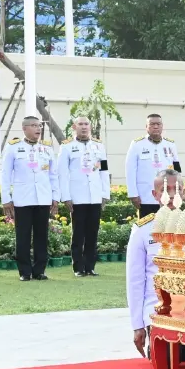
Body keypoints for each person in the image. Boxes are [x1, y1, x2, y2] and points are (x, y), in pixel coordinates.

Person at [129, 169, 182, 357]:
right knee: (167, 359)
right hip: (158, 312)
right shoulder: (143, 230)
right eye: (165, 189)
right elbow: (135, 281)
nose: (172, 194)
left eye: (176, 188)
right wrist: (138, 326)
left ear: (183, 192)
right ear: (155, 195)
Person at [1, 117, 59, 281]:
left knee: (42, 236)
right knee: (23, 236)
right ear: (24, 128)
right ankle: (25, 271)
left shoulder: (47, 149)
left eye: (39, 126)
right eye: (34, 126)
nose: (38, 129)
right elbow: (5, 175)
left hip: (43, 197)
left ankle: (39, 270)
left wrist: (55, 197)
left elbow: (53, 175)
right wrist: (6, 198)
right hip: (22, 198)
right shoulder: (14, 147)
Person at [59, 117, 110, 277]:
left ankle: (90, 266)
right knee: (78, 233)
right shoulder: (67, 147)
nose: (84, 127)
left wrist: (104, 194)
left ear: (90, 126)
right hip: (77, 196)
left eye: (86, 124)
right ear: (74, 127)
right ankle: (78, 267)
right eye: (80, 124)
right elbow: (62, 174)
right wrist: (66, 197)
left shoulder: (98, 146)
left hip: (95, 195)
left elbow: (104, 171)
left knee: (93, 233)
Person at [125, 114, 182, 219]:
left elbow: (177, 170)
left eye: (158, 124)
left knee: (168, 229)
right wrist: (133, 194)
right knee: (147, 230)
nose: (155, 127)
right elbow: (130, 171)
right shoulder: (137, 144)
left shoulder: (170, 144)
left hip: (168, 196)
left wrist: (179, 191)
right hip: (146, 196)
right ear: (146, 127)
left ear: (162, 126)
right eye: (152, 124)